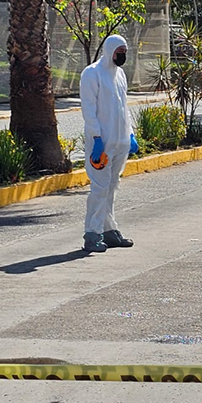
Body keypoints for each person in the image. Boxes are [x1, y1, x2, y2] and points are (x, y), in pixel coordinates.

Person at [80, 34, 140, 252]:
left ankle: (109, 230)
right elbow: (88, 109)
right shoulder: (92, 74)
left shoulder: (120, 75)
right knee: (100, 188)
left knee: (112, 187)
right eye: (119, 52)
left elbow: (124, 107)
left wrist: (130, 135)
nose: (122, 56)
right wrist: (96, 138)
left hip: (120, 142)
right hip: (102, 144)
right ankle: (92, 233)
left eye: (124, 52)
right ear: (109, 50)